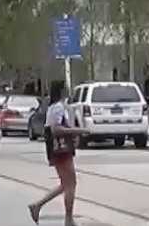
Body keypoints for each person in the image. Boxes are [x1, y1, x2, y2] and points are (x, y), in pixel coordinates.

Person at [28, 80, 85, 226]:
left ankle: (38, 205)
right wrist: (78, 131)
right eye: (65, 88)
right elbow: (56, 129)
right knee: (70, 184)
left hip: (56, 149)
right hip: (61, 149)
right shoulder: (58, 107)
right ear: (61, 91)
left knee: (65, 184)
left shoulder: (53, 107)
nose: (67, 91)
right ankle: (68, 219)